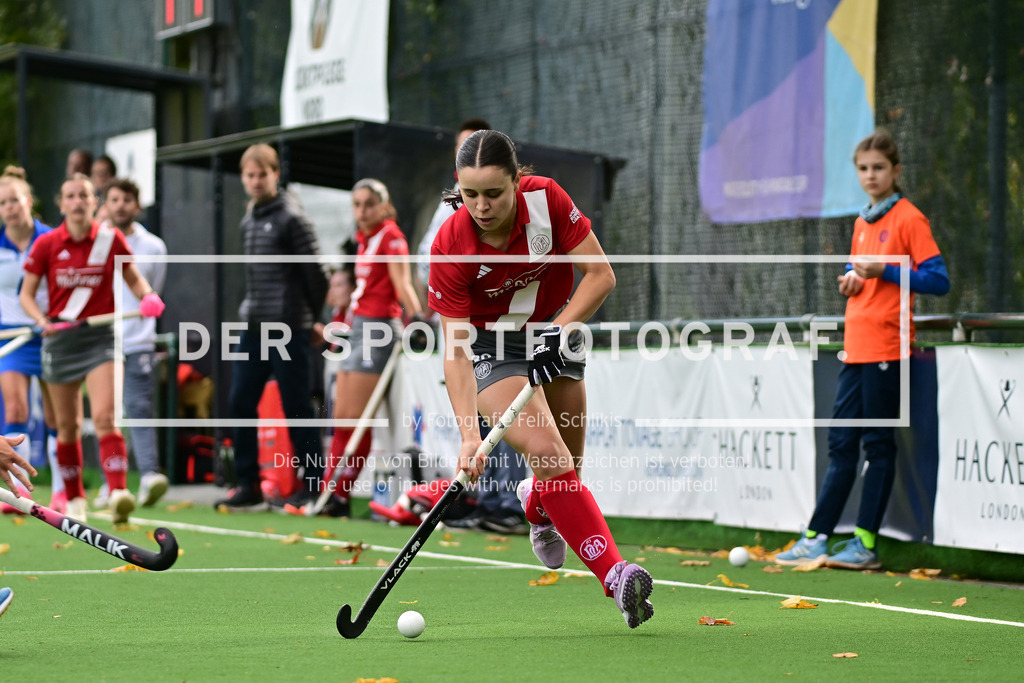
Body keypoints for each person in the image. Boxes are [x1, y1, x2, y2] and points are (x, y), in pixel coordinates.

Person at [428, 129, 654, 629]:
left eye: (494, 193)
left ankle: (535, 503)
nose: (482, 207)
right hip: (491, 347)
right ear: (458, 188)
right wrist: (469, 436)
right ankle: (617, 577)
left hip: (556, 329)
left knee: (567, 469)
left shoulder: (548, 199)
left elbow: (600, 275)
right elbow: (456, 350)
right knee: (550, 455)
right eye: (470, 195)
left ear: (517, 181)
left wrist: (559, 329)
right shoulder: (451, 246)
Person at [776, 129, 950, 570]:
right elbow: (863, 274)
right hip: (855, 349)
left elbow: (938, 280)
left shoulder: (911, 219)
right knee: (840, 445)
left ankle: (865, 544)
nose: (870, 176)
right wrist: (853, 279)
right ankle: (816, 536)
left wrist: (884, 272)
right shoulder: (861, 222)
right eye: (863, 169)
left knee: (877, 445)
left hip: (889, 350)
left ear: (896, 171)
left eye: (879, 168)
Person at [20, 173, 166, 524]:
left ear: (93, 201)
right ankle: (74, 500)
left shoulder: (109, 238)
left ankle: (118, 493)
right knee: (67, 426)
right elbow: (26, 294)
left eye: (84, 195)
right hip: (61, 340)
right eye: (70, 196)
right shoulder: (47, 244)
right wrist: (41, 320)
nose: (77, 201)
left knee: (105, 416)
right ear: (61, 203)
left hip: (101, 339)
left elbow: (132, 276)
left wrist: (147, 295)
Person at [416, 118, 528, 535]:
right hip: (464, 318)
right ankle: (488, 498)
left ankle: (511, 503)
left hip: (514, 327)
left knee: (515, 419)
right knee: (480, 420)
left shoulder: (533, 205)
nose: (480, 204)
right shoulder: (448, 221)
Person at [213, 144, 329, 511]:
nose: (256, 181)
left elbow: (317, 275)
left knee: (297, 407)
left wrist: (309, 319)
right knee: (240, 401)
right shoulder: (249, 217)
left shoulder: (292, 217)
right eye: (250, 175)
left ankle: (311, 488)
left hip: (289, 327)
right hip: (253, 326)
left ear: (275, 174)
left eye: (262, 174)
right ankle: (248, 485)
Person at [315, 178, 424, 517]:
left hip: (378, 329)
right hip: (358, 327)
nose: (361, 211)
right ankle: (329, 493)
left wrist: (419, 317)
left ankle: (339, 496)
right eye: (356, 205)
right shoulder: (365, 239)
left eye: (368, 204)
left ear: (384, 206)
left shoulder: (392, 237)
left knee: (355, 420)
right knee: (342, 418)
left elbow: (401, 282)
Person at [102, 177, 170, 508]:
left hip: (138, 340)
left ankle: (147, 477)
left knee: (140, 409)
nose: (120, 205)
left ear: (137, 205)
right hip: (101, 342)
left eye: (126, 200)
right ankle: (110, 484)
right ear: (106, 204)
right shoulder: (96, 242)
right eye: (114, 199)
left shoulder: (154, 246)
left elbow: (151, 288)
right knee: (107, 413)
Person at [0, 167, 63, 513]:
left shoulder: (52, 240)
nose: (10, 207)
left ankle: (62, 490)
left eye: (15, 200)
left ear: (29, 202)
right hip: (11, 338)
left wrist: (51, 319)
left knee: (57, 418)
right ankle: (15, 492)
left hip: (51, 335)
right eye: (3, 203)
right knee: (15, 408)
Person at [90, 155, 117, 224]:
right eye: (95, 173)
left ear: (112, 176)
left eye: (103, 173)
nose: (99, 178)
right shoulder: (90, 198)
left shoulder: (120, 196)